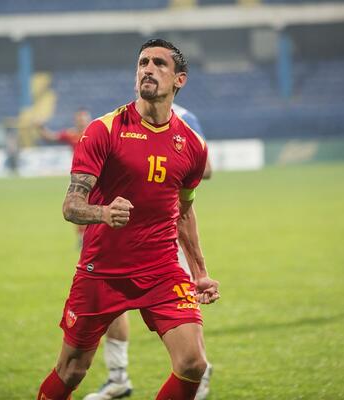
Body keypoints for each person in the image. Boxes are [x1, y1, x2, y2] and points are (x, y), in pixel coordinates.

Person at [36, 39, 220, 400]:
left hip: (162, 269)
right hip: (103, 270)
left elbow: (184, 210)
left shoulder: (192, 145)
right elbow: (71, 206)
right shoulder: (103, 130)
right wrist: (103, 213)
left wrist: (199, 272)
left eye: (159, 64)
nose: (148, 69)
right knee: (72, 370)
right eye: (142, 63)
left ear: (179, 79)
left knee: (193, 364)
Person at [84, 103, 213, 400]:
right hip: (119, 238)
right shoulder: (122, 118)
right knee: (111, 309)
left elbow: (205, 169)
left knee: (184, 315)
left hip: (165, 239)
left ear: (177, 81)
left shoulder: (184, 119)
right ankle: (118, 376)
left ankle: (199, 376)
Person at [38, 108, 92, 246]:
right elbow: (51, 137)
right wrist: (40, 127)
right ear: (76, 120)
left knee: (95, 205)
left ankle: (94, 236)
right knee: (77, 206)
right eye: (79, 119)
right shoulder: (71, 134)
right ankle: (81, 237)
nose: (81, 121)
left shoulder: (95, 133)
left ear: (88, 119)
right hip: (78, 177)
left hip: (96, 175)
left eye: (84, 119)